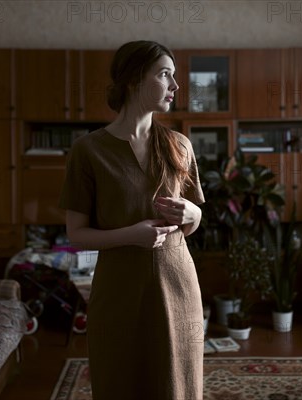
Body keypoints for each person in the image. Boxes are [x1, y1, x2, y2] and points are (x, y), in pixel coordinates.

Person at [59, 40, 205, 400]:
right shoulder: (88, 151)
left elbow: (193, 219)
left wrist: (194, 213)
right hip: (119, 289)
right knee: (120, 379)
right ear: (134, 80)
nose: (175, 86)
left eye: (174, 76)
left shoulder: (179, 145)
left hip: (179, 286)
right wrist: (131, 235)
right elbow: (76, 234)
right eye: (165, 75)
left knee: (178, 384)